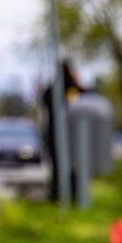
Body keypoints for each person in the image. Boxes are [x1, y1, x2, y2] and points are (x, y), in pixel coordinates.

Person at [41, 62, 82, 202]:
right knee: (72, 165)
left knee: (58, 165)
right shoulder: (69, 88)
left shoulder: (54, 88)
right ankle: (71, 193)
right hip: (71, 133)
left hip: (56, 133)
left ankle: (59, 191)